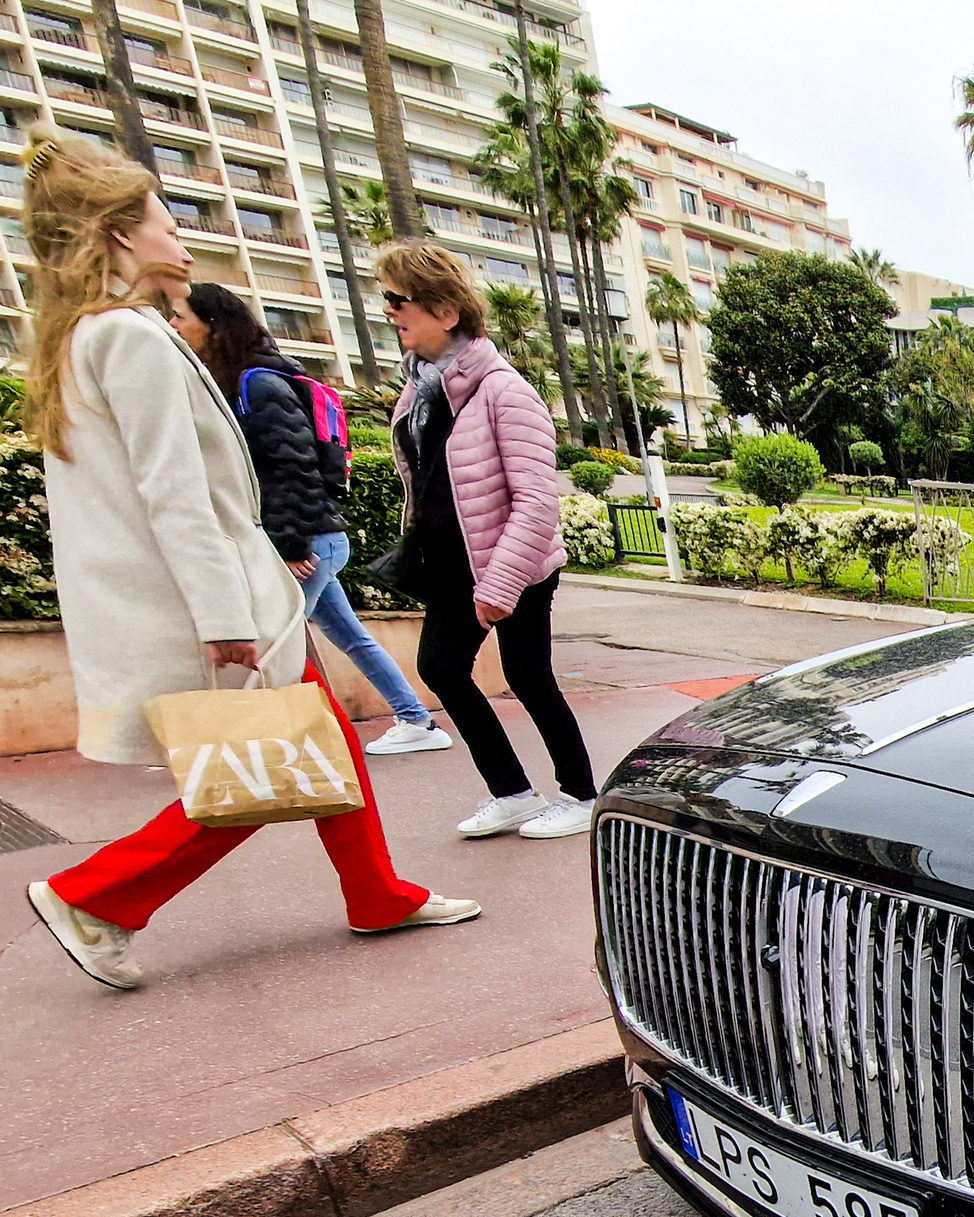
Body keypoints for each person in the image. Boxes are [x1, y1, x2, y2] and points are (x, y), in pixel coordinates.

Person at [18, 133, 474, 991]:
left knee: (319, 742)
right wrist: (226, 617)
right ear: (120, 235)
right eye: (166, 222)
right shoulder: (131, 338)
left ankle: (378, 892)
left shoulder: (81, 339)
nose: (183, 242)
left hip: (222, 590)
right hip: (223, 598)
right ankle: (93, 894)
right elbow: (175, 496)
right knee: (260, 769)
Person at [172, 281, 450, 756]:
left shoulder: (257, 383)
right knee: (349, 636)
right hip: (313, 537)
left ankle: (259, 746)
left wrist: (293, 543)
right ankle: (417, 722)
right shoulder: (243, 379)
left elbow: (292, 465)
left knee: (269, 642)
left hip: (308, 542)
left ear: (213, 326)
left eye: (180, 316)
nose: (174, 325)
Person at [376, 240, 594, 840]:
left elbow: (536, 502)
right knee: (442, 670)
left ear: (446, 311)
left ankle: (580, 794)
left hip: (515, 565)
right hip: (453, 566)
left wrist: (501, 582)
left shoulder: (504, 391)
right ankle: (513, 792)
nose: (392, 312)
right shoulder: (421, 394)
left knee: (529, 677)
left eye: (400, 300)